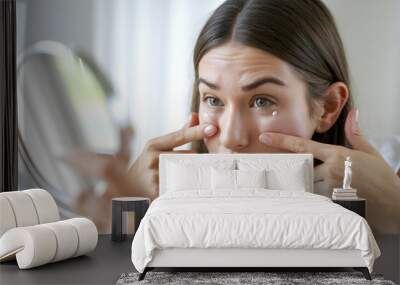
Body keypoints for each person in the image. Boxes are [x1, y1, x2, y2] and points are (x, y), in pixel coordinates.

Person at [126, 0, 400, 234]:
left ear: (327, 107)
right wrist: (128, 208)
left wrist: (394, 210)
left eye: (261, 101)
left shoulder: (385, 185)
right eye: (213, 99)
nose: (232, 138)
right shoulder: (161, 195)